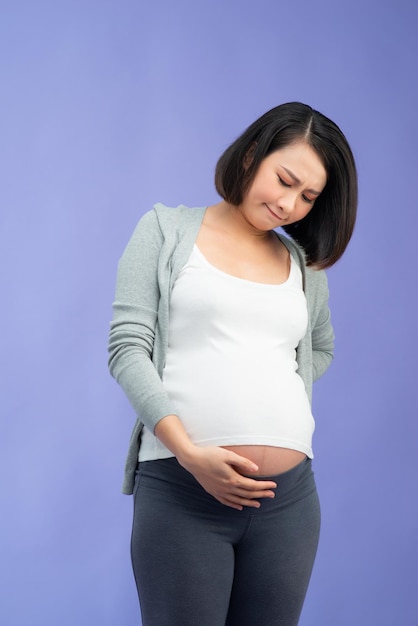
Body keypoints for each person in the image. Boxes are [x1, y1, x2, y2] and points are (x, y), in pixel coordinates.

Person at [108, 101, 357, 625]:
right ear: (251, 156)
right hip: (182, 492)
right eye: (284, 180)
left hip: (288, 506)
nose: (290, 204)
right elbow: (128, 347)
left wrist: (269, 390)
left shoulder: (302, 267)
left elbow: (321, 348)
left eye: (309, 196)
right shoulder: (164, 231)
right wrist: (192, 453)